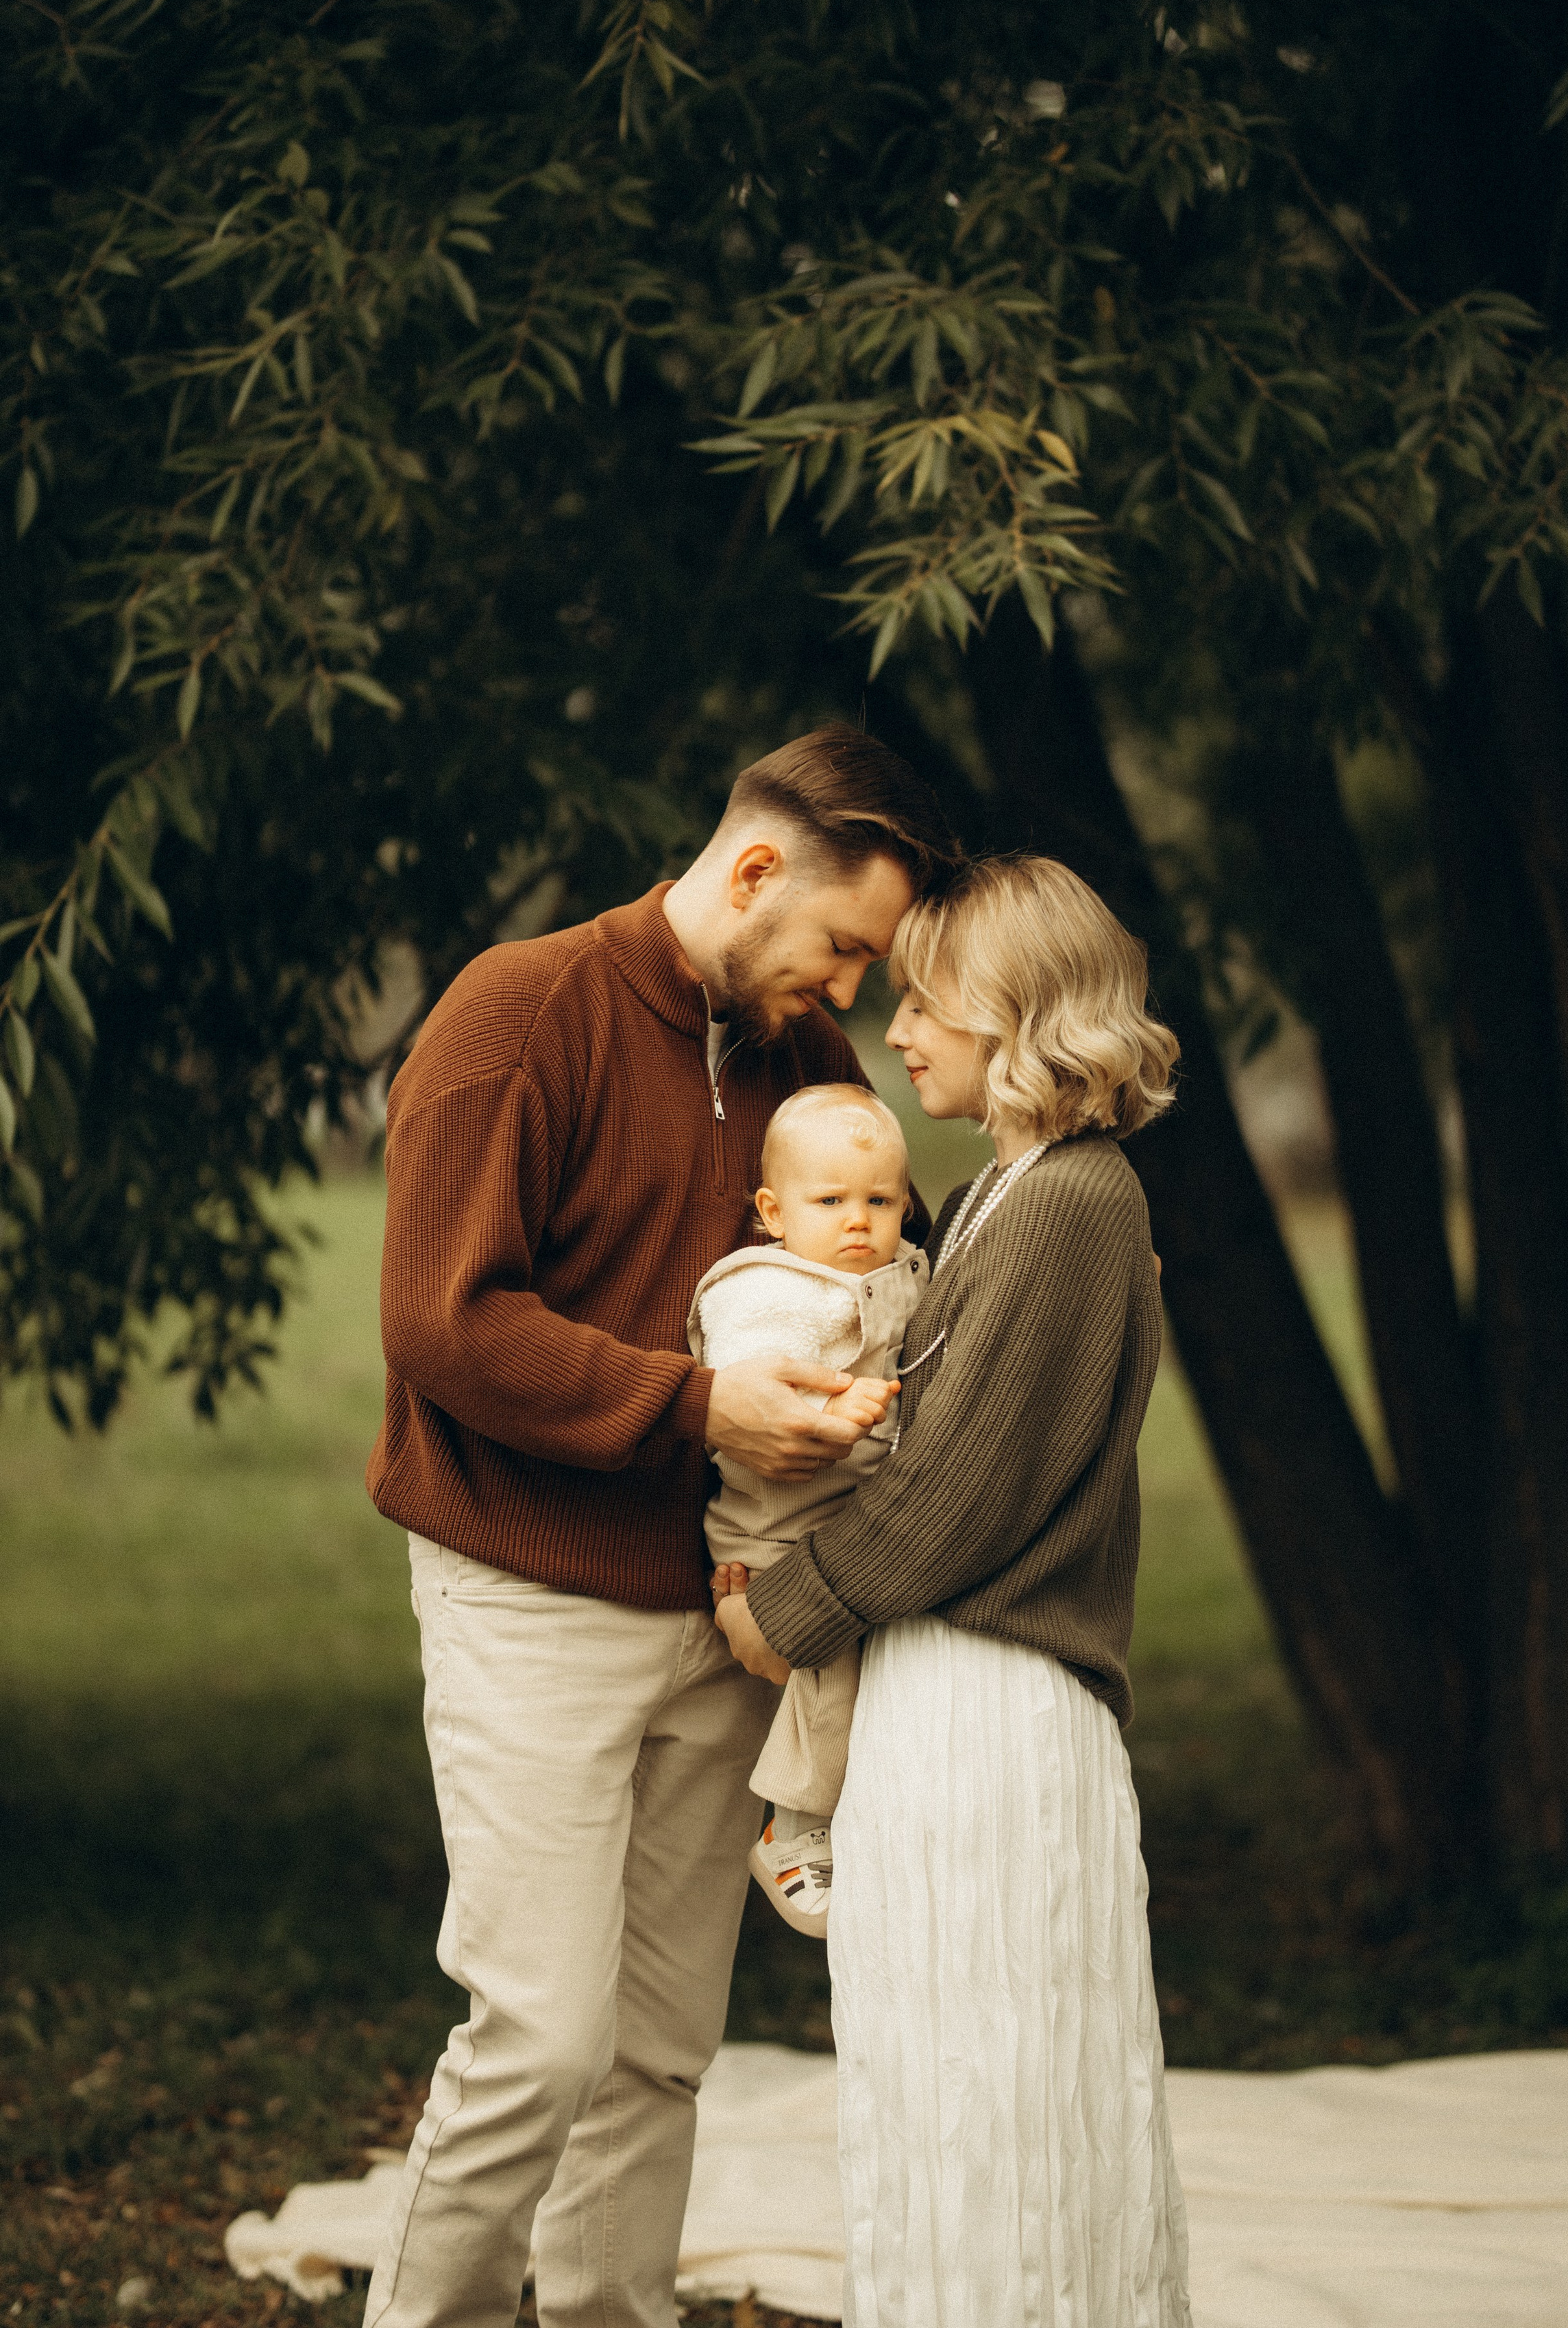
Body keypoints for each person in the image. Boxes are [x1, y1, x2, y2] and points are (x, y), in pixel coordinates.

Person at [360, 724, 955, 2328]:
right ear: (753, 870)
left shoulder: (803, 1068)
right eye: (840, 946)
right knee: (537, 2033)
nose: (846, 992)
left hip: (722, 1607)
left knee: (655, 2047)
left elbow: (894, 1280)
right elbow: (442, 1321)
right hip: (523, 1589)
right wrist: (700, 1409)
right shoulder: (516, 1013)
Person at [718, 852, 1197, 2328]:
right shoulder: (1004, 1189)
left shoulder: (1067, 1204)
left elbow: (953, 1492)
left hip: (992, 1701)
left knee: (1001, 2086)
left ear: (1009, 1012)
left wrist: (778, 1612)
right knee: (940, 2077)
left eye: (926, 1000)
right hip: (941, 1695)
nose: (898, 1030)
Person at [688, 1082, 927, 1936]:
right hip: (773, 1529)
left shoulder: (901, 1274)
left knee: (864, 1663)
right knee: (830, 1653)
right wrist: (836, 1413)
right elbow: (756, 1399)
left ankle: (836, 1816)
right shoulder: (767, 1291)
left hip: (844, 1519)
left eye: (879, 1201)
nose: (857, 1222)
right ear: (773, 1210)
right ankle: (792, 1827)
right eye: (830, 1202)